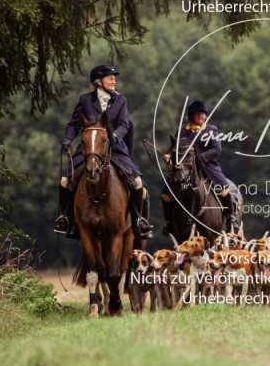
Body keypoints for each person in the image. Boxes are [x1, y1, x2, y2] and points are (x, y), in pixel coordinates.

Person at [53, 64, 154, 242]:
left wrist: (115, 135)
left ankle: (139, 220)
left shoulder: (121, 100)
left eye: (114, 77)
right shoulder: (85, 100)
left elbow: (125, 124)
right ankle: (65, 218)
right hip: (90, 150)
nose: (114, 80)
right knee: (64, 180)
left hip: (115, 149)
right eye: (110, 77)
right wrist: (68, 139)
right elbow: (74, 124)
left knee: (137, 183)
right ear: (98, 82)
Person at [161, 100, 242, 232]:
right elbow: (173, 148)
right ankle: (169, 222)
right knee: (165, 194)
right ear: (192, 115)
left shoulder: (211, 130)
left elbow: (217, 150)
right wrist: (168, 155)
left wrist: (200, 158)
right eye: (199, 114)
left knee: (224, 190)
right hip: (184, 168)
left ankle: (231, 218)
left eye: (203, 114)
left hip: (208, 168)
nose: (202, 117)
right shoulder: (182, 131)